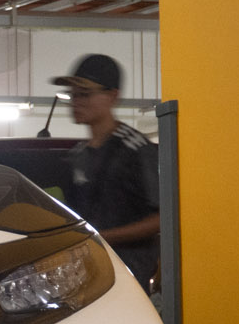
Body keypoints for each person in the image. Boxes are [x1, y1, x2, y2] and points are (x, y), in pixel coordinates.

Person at [52, 53, 160, 286]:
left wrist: (102, 237)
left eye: (85, 94)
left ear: (112, 96)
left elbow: (161, 218)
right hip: (87, 274)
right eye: (72, 95)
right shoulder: (77, 156)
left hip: (129, 276)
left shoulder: (135, 149)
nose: (76, 101)